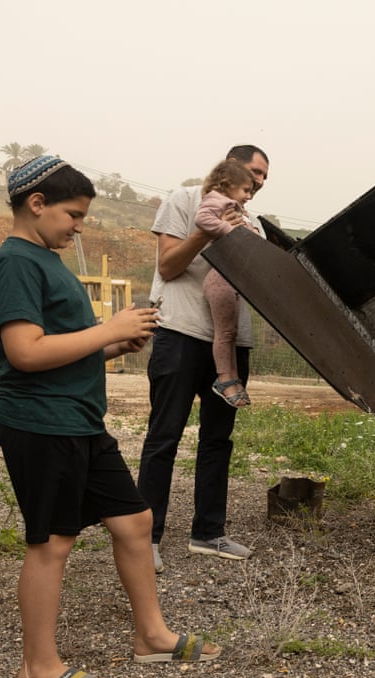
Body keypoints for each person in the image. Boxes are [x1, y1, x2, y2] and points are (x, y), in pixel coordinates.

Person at [0, 156, 221, 678]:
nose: (78, 226)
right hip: (40, 424)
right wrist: (105, 330)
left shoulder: (43, 258)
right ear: (36, 204)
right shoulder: (17, 261)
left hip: (77, 421)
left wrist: (114, 342)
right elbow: (24, 352)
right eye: (73, 214)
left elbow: (59, 346)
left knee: (136, 520)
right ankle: (37, 674)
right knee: (52, 543)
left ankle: (151, 636)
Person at [137, 145, 269, 572]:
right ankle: (145, 538)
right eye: (253, 174)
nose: (259, 184)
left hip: (230, 344)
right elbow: (170, 265)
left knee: (218, 441)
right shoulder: (186, 200)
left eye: (264, 178)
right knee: (164, 437)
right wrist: (211, 232)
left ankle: (208, 533)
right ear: (228, 168)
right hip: (180, 332)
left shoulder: (253, 225)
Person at [196, 159, 258, 408]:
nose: (248, 196)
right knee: (224, 333)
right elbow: (203, 220)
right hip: (219, 278)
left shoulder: (234, 207)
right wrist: (228, 229)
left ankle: (232, 378)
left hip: (229, 279)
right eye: (245, 190)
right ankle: (224, 379)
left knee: (230, 334)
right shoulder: (216, 200)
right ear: (228, 185)